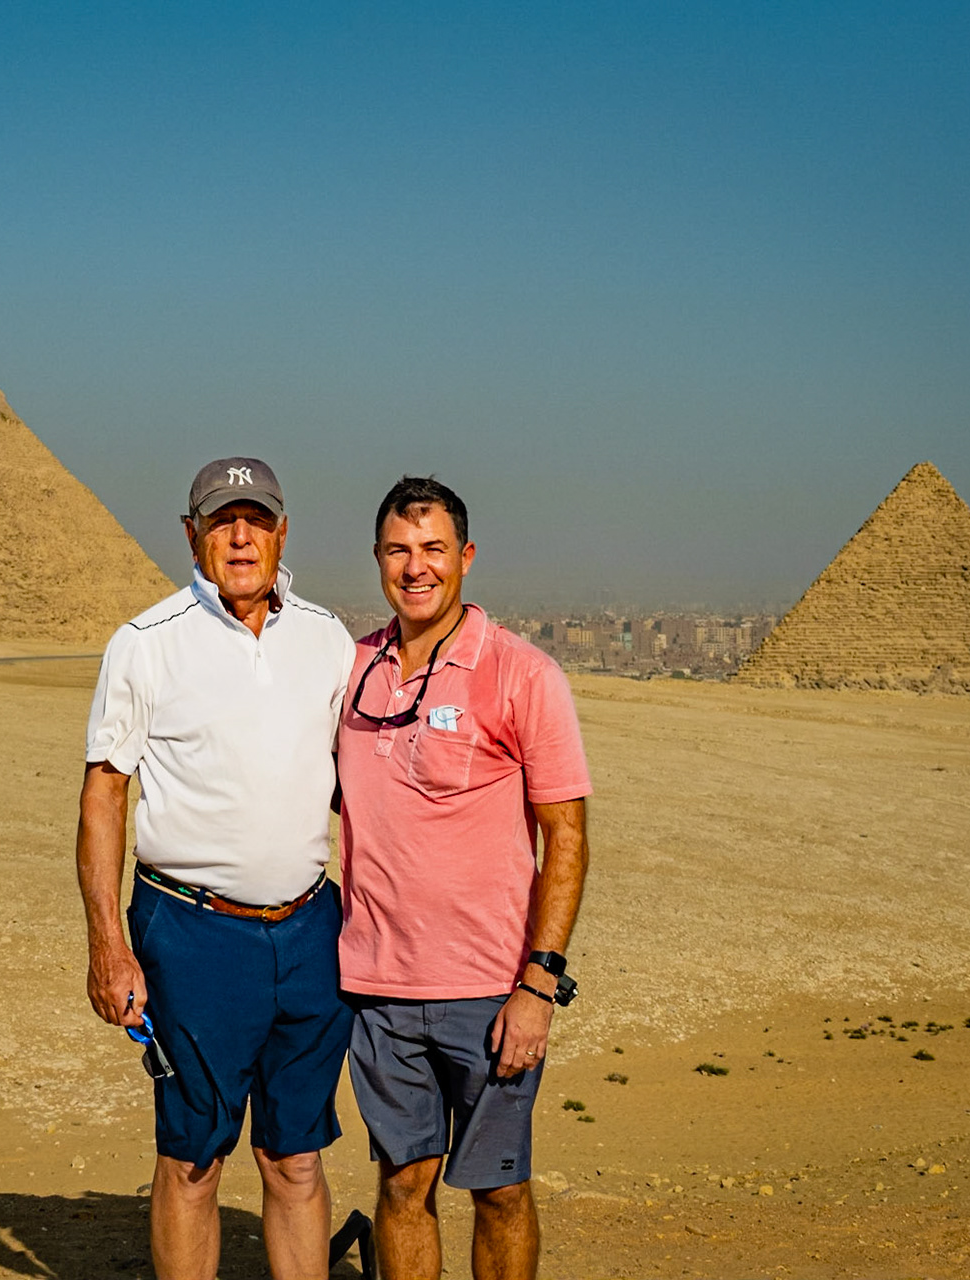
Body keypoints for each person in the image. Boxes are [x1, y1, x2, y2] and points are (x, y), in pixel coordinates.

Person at [77, 457, 358, 1280]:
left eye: (257, 519)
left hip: (310, 931)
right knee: (194, 1160)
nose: (241, 536)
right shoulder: (145, 644)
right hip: (194, 935)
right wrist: (108, 946)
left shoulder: (327, 638)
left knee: (296, 1158)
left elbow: (360, 783)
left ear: (282, 532)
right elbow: (104, 795)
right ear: (191, 534)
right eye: (222, 520)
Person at [336, 476, 593, 1280]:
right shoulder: (350, 672)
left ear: (466, 556)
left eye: (434, 549)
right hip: (378, 988)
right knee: (401, 1182)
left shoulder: (522, 674)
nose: (416, 567)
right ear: (377, 558)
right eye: (398, 550)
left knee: (500, 1191)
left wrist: (538, 985)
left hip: (490, 990)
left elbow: (567, 836)